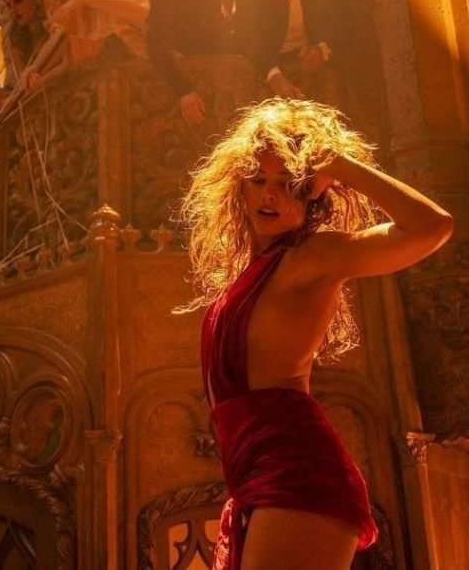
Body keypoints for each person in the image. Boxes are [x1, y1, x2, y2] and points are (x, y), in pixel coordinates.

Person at [180, 99, 453, 569]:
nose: (270, 195)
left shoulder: (313, 256)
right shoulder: (250, 272)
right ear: (239, 188)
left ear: (311, 194)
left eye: (288, 184)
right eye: (258, 180)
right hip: (257, 472)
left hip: (296, 468)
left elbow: (433, 227)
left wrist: (340, 165)